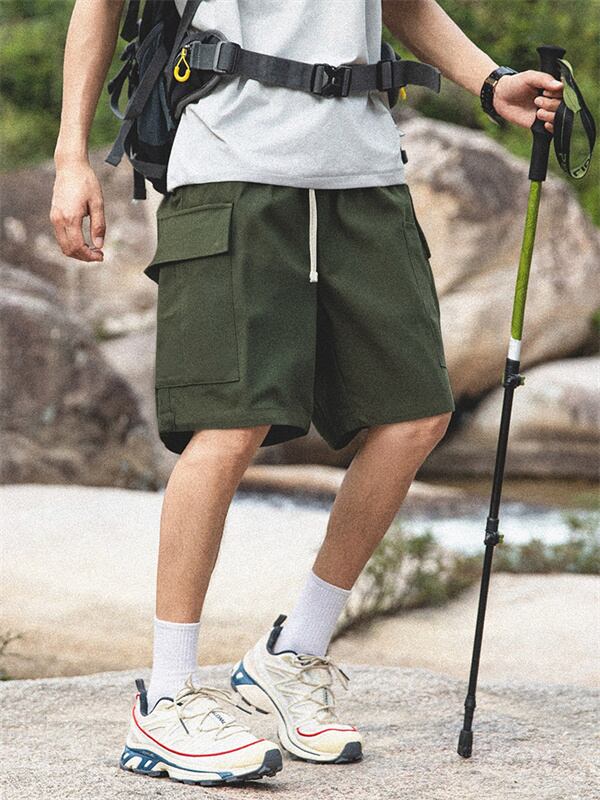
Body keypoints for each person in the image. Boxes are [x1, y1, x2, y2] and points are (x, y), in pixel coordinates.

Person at [50, 0, 563, 786]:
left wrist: (488, 81)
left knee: (416, 415)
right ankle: (167, 696)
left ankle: (291, 654)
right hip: (231, 163)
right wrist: (70, 158)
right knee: (231, 426)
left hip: (364, 168)